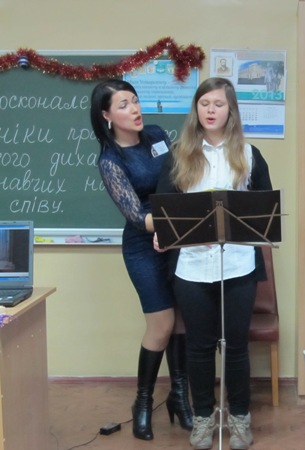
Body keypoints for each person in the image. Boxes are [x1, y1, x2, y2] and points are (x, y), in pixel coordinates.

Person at [155, 77, 273, 450]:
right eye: (204, 103)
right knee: (200, 346)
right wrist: (164, 233)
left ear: (230, 111)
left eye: (218, 104)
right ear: (196, 108)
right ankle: (204, 418)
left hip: (238, 266)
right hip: (191, 268)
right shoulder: (179, 154)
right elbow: (164, 209)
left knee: (235, 346)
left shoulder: (250, 155)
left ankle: (239, 418)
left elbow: (264, 211)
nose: (210, 110)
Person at [90, 79, 193, 441]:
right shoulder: (110, 160)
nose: (134, 109)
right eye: (123, 105)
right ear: (106, 116)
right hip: (143, 245)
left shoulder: (157, 135)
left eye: (135, 101)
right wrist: (177, 222)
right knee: (161, 325)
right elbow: (136, 216)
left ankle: (180, 397)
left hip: (176, 239)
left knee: (181, 321)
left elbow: (179, 179)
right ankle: (143, 402)